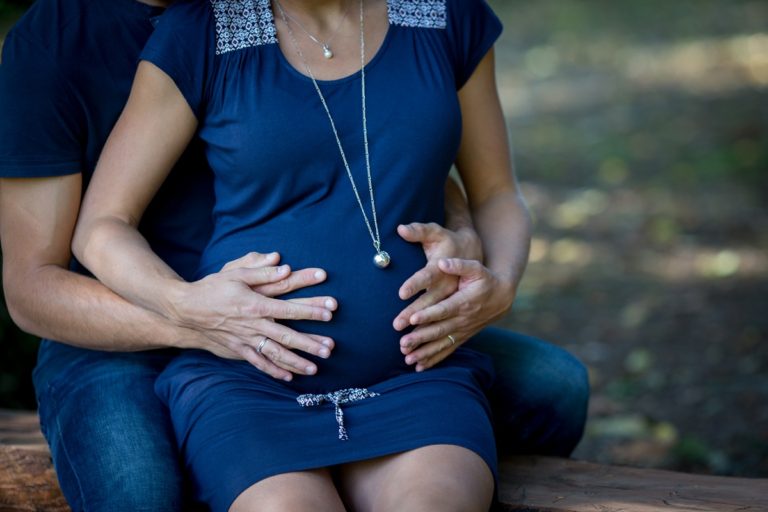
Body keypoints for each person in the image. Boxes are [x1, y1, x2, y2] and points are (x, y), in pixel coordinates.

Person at [0, 0, 588, 510]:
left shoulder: (422, 18)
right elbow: (36, 282)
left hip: (395, 359)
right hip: (141, 332)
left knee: (553, 387)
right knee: (140, 491)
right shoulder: (69, 44)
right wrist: (192, 315)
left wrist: (472, 244)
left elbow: (392, 153)